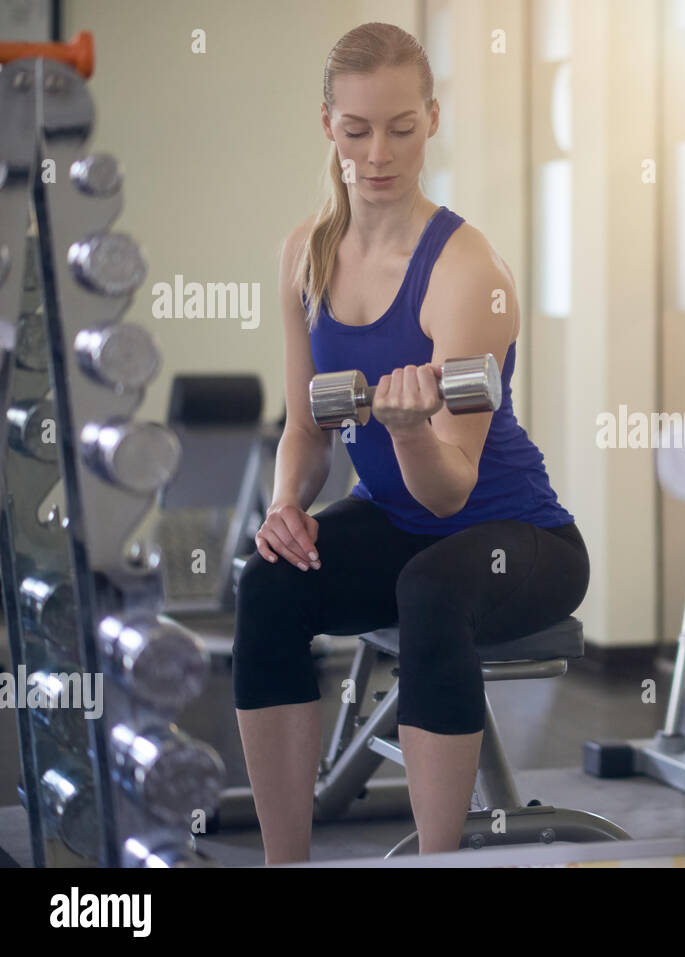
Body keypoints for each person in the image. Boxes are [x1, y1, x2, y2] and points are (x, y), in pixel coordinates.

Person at [232, 22, 588, 864]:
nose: (379, 152)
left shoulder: (468, 271)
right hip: (397, 522)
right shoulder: (304, 258)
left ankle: (438, 861)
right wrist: (286, 504)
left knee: (431, 586)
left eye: (401, 126)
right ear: (328, 125)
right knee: (269, 582)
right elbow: (308, 429)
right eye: (357, 130)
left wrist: (408, 432)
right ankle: (287, 859)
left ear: (433, 118)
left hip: (515, 536)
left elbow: (449, 491)